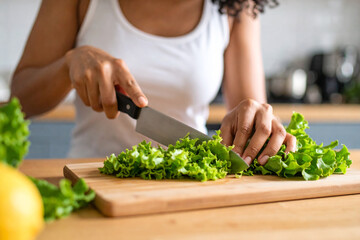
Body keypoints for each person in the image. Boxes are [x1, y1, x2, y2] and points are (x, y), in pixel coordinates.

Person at [11, 0, 296, 165]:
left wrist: (257, 120)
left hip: (191, 185)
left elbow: (252, 113)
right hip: (90, 177)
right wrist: (68, 64)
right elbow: (20, 99)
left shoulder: (236, 6)